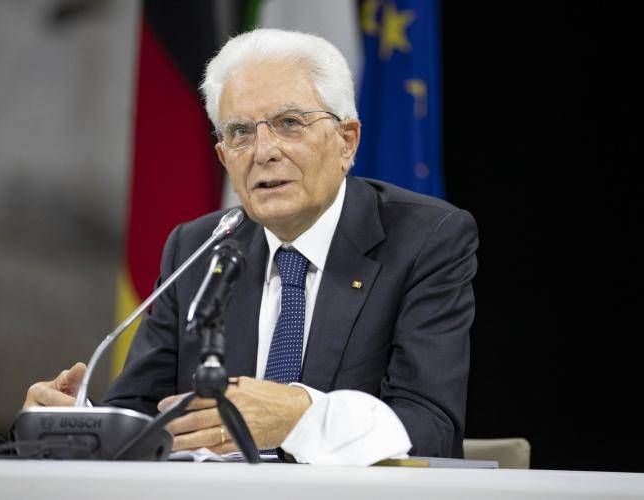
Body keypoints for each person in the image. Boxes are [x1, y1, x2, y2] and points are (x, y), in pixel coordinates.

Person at [24, 28, 478, 462]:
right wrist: (73, 423)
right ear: (224, 157)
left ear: (346, 141)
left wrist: (299, 419)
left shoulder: (424, 240)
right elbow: (141, 414)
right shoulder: (198, 249)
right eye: (240, 132)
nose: (263, 151)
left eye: (289, 123)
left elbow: (431, 432)